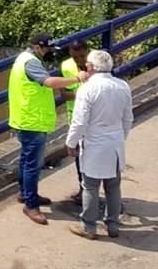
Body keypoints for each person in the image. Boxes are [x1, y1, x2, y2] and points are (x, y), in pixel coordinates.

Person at [8, 33, 90, 225]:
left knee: (26, 160)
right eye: (47, 49)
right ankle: (31, 205)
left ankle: (26, 194)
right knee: (32, 165)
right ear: (38, 47)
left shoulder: (25, 59)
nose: (48, 53)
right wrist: (77, 79)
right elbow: (49, 82)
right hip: (32, 121)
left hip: (26, 118)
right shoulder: (31, 62)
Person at [65, 49, 133, 240]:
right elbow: (128, 118)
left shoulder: (87, 89)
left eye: (87, 64)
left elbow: (79, 122)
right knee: (113, 185)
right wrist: (120, 137)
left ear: (91, 67)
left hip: (95, 143)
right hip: (115, 143)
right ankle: (112, 224)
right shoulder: (122, 86)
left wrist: (71, 143)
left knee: (90, 186)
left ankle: (89, 226)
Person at [62, 40, 90, 205]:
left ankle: (93, 191)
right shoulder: (66, 66)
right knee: (79, 156)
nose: (79, 60)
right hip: (76, 118)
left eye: (82, 56)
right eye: (75, 57)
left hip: (95, 120)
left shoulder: (98, 63)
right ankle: (83, 189)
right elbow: (64, 95)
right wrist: (84, 94)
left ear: (87, 51)